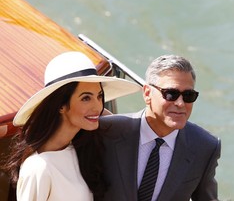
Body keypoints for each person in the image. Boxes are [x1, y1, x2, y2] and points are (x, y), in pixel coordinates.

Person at [0, 51, 141, 201]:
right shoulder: (39, 168)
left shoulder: (78, 149)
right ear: (60, 105)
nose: (97, 106)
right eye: (86, 98)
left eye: (99, 96)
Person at [98, 54, 221, 201]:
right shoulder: (106, 132)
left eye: (188, 95)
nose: (181, 104)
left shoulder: (205, 147)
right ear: (147, 93)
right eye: (171, 94)